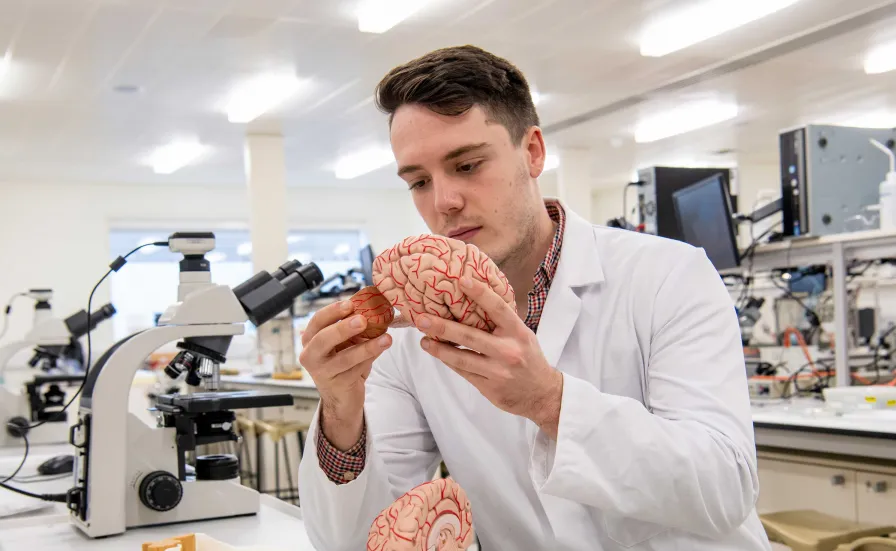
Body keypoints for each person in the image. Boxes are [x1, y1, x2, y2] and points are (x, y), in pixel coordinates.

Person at [297, 45, 770, 551]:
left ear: (533, 152)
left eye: (467, 165)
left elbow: (726, 487)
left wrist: (549, 401)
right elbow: (363, 539)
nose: (443, 202)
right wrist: (341, 411)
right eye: (418, 181)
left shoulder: (668, 276)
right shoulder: (410, 334)